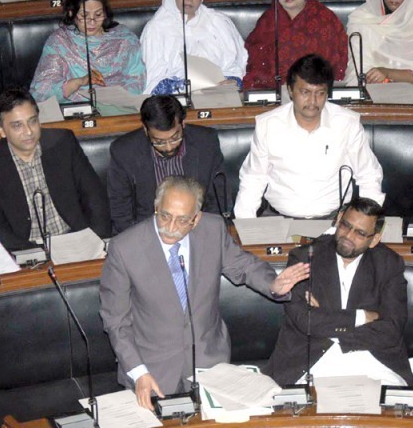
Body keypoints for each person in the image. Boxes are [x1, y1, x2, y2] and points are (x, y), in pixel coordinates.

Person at [100, 175, 311, 409]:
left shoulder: (213, 230)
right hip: (151, 370)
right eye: (165, 216)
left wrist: (272, 284)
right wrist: (138, 372)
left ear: (197, 218)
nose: (170, 228)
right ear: (156, 207)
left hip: (209, 364)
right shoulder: (124, 248)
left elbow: (243, 266)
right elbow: (116, 320)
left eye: (182, 220)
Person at [265, 197, 413, 387]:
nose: (348, 236)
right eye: (345, 225)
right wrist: (362, 317)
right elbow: (306, 321)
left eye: (360, 233)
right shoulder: (305, 257)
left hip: (372, 359)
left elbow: (391, 330)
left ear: (374, 239)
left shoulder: (389, 264)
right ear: (338, 220)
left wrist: (328, 322)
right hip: (312, 361)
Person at [234, 54, 384, 219]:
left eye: (320, 93)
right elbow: (253, 179)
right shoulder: (268, 125)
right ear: (290, 90)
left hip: (335, 221)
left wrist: (364, 222)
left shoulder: (347, 124)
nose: (312, 101)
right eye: (305, 92)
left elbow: (368, 175)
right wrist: (245, 227)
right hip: (278, 219)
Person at [0, 88, 111, 252]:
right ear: (1, 130)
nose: (29, 131)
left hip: (76, 238)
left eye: (32, 121)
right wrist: (35, 254)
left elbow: (95, 197)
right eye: (18, 126)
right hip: (27, 248)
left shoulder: (63, 143)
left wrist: (96, 241)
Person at [107, 95, 227, 234]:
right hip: (147, 232)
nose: (169, 147)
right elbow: (121, 211)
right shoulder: (124, 151)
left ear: (183, 124)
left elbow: (218, 200)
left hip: (196, 229)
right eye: (159, 142)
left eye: (175, 138)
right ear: (146, 130)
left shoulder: (206, 141)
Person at [30, 0, 145, 103]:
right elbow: (41, 91)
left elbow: (138, 80)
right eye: (84, 16)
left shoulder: (125, 39)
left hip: (118, 108)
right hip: (75, 111)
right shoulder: (60, 42)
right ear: (71, 13)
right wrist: (79, 82)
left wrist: (111, 98)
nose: (92, 22)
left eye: (98, 14)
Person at [140, 0, 247, 94]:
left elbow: (240, 63)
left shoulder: (219, 22)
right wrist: (183, 87)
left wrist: (234, 81)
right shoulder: (156, 28)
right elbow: (151, 78)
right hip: (173, 101)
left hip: (217, 95)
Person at [243, 0, 348, 90]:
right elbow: (255, 65)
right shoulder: (268, 21)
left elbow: (333, 65)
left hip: (314, 93)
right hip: (271, 93)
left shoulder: (324, 20)